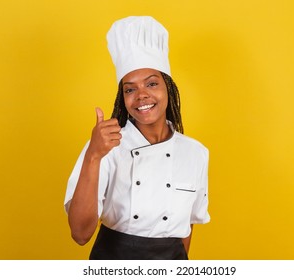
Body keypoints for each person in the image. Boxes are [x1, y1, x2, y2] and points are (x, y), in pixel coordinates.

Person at [64, 16, 210, 260]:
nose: (141, 95)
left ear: (168, 88)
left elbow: (187, 227)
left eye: (152, 84)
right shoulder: (106, 147)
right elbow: (80, 234)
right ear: (123, 97)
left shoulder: (195, 153)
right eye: (130, 89)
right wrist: (94, 156)